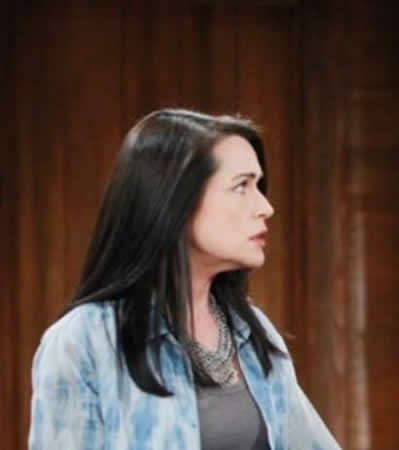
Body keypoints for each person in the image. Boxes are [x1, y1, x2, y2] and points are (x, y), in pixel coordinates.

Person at [28, 109, 340, 449]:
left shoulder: (253, 332)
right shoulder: (84, 342)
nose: (266, 207)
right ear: (176, 200)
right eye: (242, 186)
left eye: (258, 186)